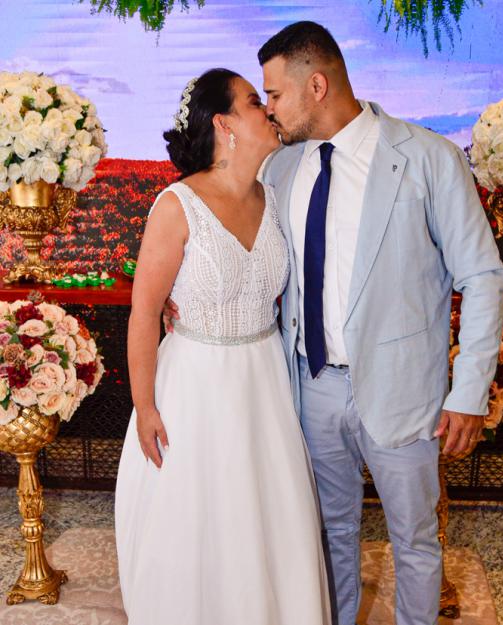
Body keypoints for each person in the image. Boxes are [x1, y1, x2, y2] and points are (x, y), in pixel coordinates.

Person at [165, 21, 503, 625]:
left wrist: (469, 391)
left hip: (404, 389)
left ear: (316, 86)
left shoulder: (429, 158)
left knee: (415, 540)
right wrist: (180, 295)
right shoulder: (280, 168)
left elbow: (481, 276)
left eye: (275, 94)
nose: (270, 109)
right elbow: (218, 226)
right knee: (326, 533)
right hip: (310, 385)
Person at [115, 68, 331, 625]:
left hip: (265, 383)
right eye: (255, 102)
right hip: (195, 385)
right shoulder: (177, 205)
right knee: (200, 521)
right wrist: (144, 406)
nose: (269, 110)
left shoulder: (274, 199)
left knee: (267, 518)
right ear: (224, 124)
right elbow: (144, 312)